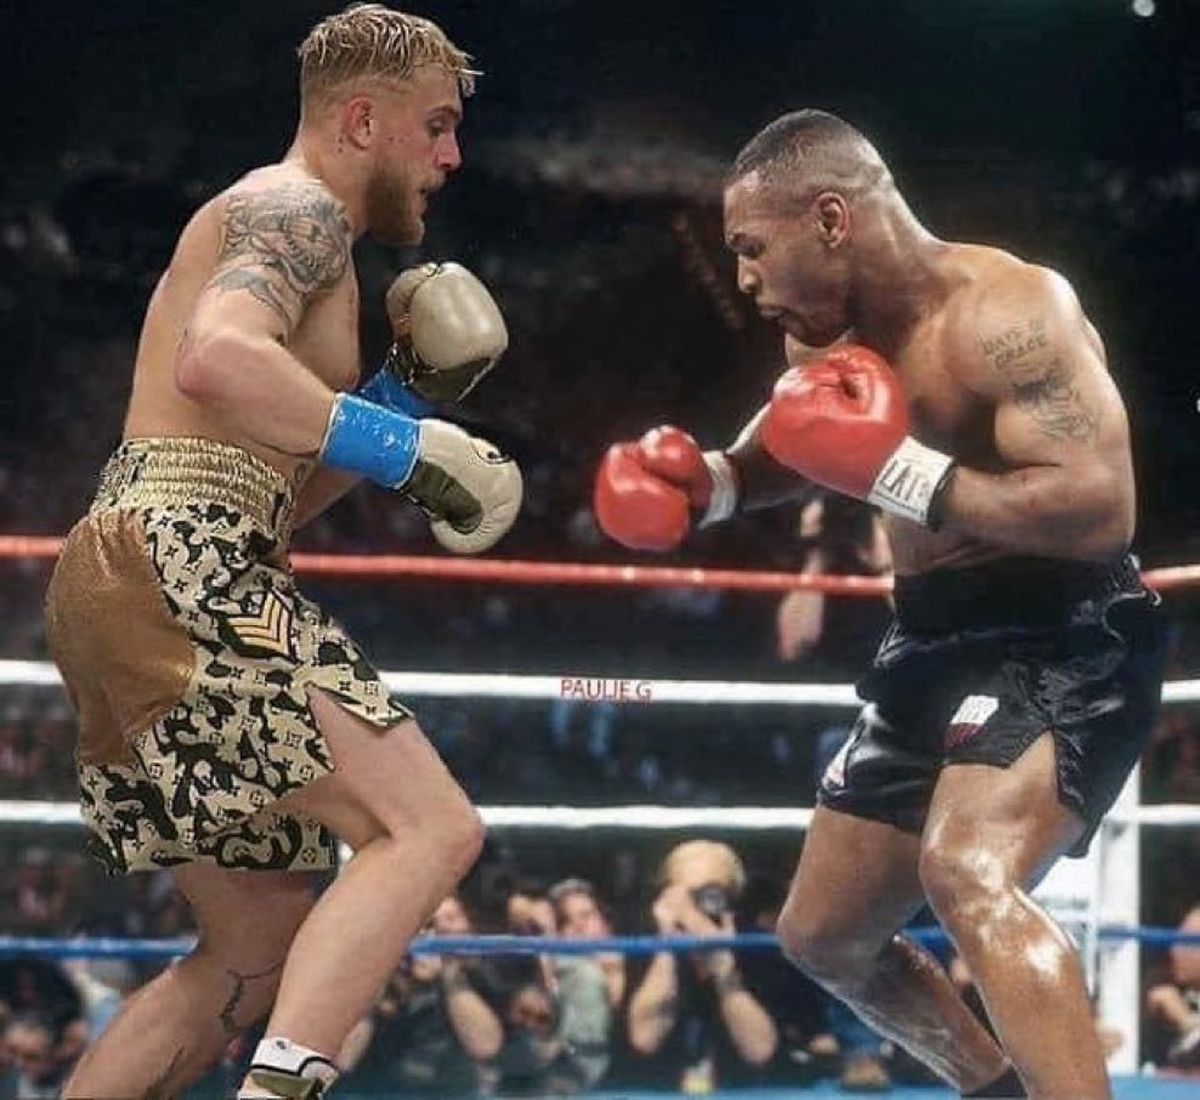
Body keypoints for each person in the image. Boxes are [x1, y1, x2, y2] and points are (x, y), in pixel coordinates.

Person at [594, 109, 1168, 1098]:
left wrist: (898, 471)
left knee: (970, 870)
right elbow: (802, 437)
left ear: (829, 218)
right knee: (826, 934)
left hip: (1065, 629)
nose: (742, 279)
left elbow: (1099, 506)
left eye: (749, 248)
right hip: (932, 635)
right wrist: (715, 486)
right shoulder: (823, 337)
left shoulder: (1012, 311)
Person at [42, 6, 521, 1097]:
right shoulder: (294, 208)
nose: (452, 158)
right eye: (436, 127)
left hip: (142, 563)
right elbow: (217, 355)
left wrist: (405, 395)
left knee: (253, 951)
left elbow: (278, 491)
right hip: (178, 558)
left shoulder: (318, 256)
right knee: (429, 827)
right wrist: (410, 444)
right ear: (363, 118)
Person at [625, 840, 782, 1091]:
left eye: (712, 892)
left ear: (732, 897)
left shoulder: (754, 946)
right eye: (687, 895)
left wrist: (722, 966)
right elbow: (645, 1038)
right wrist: (667, 946)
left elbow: (760, 1050)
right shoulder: (645, 941)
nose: (698, 906)